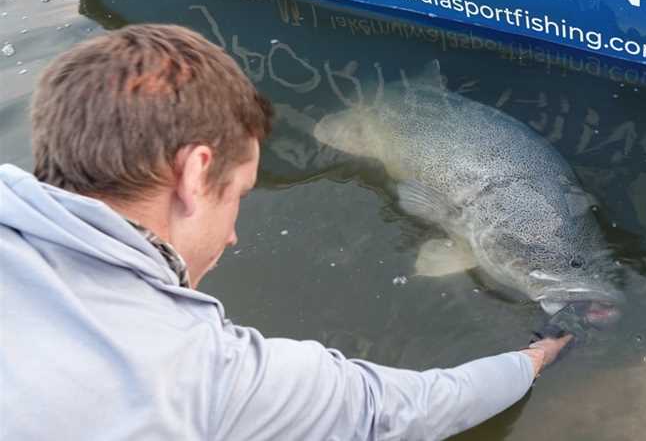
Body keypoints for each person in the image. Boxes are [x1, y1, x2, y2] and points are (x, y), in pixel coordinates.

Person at [0, 24, 572, 440]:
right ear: (196, 174)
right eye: (238, 197)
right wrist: (537, 358)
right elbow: (397, 412)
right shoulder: (197, 372)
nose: (232, 238)